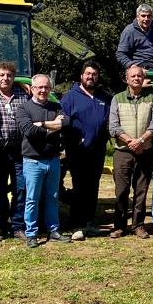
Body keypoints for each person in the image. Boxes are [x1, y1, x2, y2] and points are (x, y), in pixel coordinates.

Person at [16, 74, 71, 248]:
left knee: (52, 197)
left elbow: (66, 123)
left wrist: (41, 124)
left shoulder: (56, 106)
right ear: (32, 89)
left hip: (53, 160)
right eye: (39, 87)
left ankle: (54, 230)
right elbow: (29, 130)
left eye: (46, 87)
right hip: (33, 161)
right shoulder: (23, 109)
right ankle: (31, 233)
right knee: (32, 198)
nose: (43, 90)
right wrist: (52, 125)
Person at [60, 60, 111, 240]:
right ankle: (76, 224)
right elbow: (62, 123)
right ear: (81, 76)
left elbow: (109, 122)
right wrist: (75, 140)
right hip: (78, 151)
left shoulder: (104, 97)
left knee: (93, 186)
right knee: (79, 186)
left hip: (97, 151)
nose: (91, 77)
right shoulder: (70, 97)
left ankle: (89, 222)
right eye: (88, 74)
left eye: (94, 74)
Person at [108, 65, 153, 239]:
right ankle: (119, 226)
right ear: (126, 79)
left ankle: (138, 225)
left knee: (141, 190)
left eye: (139, 76)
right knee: (121, 190)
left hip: (145, 151)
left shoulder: (152, 98)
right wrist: (131, 141)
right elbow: (113, 126)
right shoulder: (117, 98)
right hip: (123, 151)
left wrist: (141, 141)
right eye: (133, 76)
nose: (136, 78)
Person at [0, 61, 31, 242]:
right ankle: (1, 226)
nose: (6, 78)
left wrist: (22, 84)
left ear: (14, 78)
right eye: (1, 75)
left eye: (9, 75)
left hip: (19, 151)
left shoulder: (22, 93)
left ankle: (18, 226)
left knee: (21, 189)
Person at [116, 4, 153, 70]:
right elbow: (120, 54)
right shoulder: (129, 31)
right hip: (138, 66)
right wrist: (132, 66)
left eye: (149, 16)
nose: (146, 19)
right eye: (143, 16)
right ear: (137, 17)